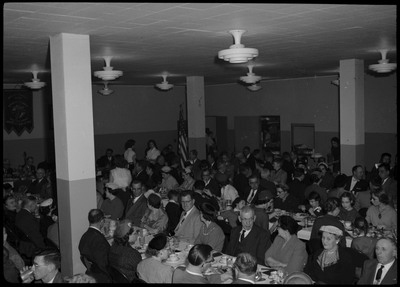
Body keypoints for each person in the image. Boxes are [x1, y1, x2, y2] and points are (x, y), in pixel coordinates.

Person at [78, 209, 111, 283]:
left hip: (92, 271)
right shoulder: (99, 240)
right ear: (102, 221)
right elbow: (104, 265)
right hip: (101, 276)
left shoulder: (85, 236)